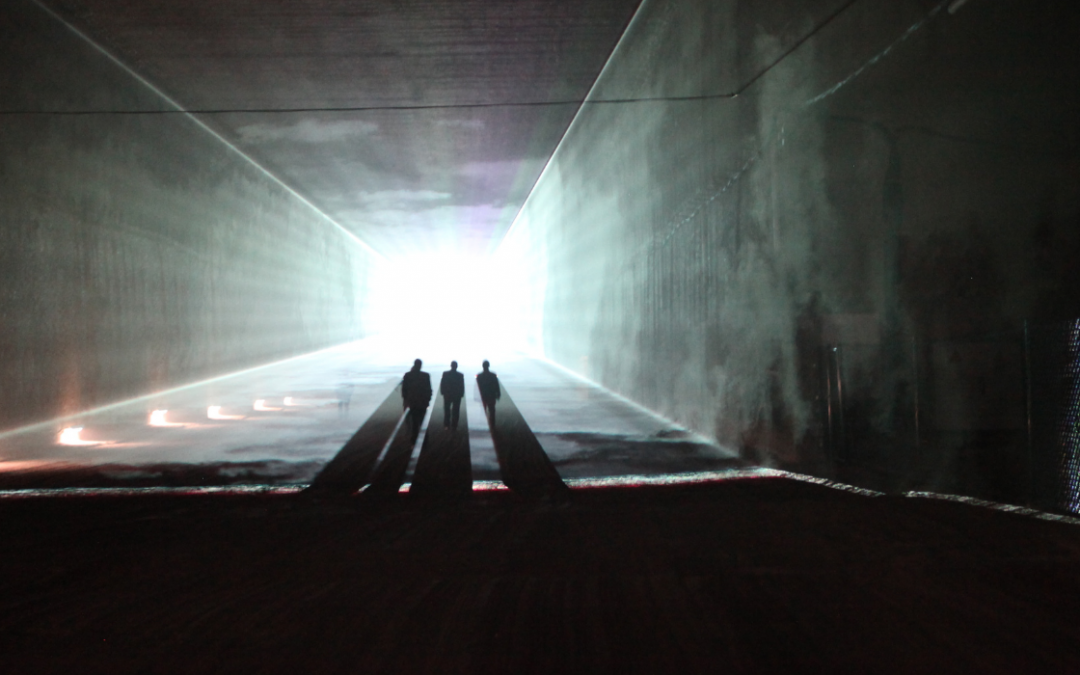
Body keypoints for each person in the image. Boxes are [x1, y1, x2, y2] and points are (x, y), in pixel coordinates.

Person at [401, 359, 432, 443]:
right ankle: (424, 440)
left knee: (414, 422)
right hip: (422, 403)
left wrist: (406, 400)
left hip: (413, 403)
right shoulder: (425, 376)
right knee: (422, 421)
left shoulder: (408, 375)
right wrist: (428, 399)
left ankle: (414, 440)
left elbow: (404, 390)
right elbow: (428, 389)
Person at [439, 361, 465, 430]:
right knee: (456, 410)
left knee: (447, 410)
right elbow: (461, 385)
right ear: (456, 366)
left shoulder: (445, 374)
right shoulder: (460, 375)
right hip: (457, 394)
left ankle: (447, 424)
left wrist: (442, 391)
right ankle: (454, 425)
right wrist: (461, 393)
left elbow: (443, 383)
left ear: (451, 366)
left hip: (447, 394)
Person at [476, 360, 501, 424]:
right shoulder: (493, 375)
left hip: (483, 395)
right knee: (492, 410)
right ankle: (492, 423)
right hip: (491, 395)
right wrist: (498, 394)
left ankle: (483, 423)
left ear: (483, 366)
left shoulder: (479, 376)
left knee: (483, 410)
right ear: (488, 366)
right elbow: (496, 385)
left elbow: (477, 387)